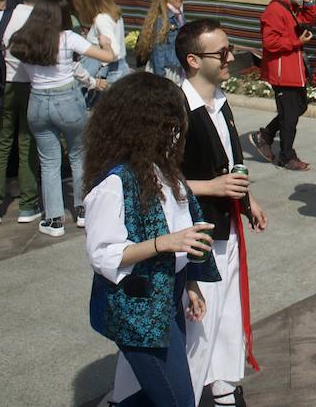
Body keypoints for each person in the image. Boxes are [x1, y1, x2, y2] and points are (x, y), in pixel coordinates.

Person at [82, 73, 219, 407]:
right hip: (138, 311)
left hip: (168, 299)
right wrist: (163, 243)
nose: (176, 133)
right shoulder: (115, 184)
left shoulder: (164, 171)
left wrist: (190, 285)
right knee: (178, 400)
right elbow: (103, 256)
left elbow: (186, 233)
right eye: (170, 124)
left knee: (168, 394)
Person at [177, 20, 269, 407]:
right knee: (203, 318)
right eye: (222, 52)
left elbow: (232, 163)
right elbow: (156, 180)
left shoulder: (220, 101)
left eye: (229, 49)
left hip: (225, 225)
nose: (231, 57)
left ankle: (224, 386)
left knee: (228, 311)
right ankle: (190, 392)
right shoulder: (178, 110)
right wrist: (211, 188)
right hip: (195, 233)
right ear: (194, 60)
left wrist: (248, 201)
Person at [11, 0, 118, 237]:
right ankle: (82, 211)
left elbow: (25, 75)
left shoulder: (23, 40)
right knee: (78, 155)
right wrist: (106, 42)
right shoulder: (68, 38)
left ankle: (54, 220)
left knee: (49, 163)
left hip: (37, 102)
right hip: (67, 99)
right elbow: (108, 56)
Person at [0, 0, 48, 227]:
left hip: (0, 86)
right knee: (28, 144)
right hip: (31, 86)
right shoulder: (43, 20)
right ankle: (28, 205)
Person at [249, 0, 316, 171]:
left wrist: (309, 2)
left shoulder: (291, 6)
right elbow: (270, 43)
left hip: (293, 68)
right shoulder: (275, 10)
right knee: (289, 116)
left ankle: (266, 135)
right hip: (282, 71)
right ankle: (287, 156)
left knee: (299, 107)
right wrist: (298, 42)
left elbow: (307, 20)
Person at [72, 0, 131, 105]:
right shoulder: (113, 14)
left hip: (108, 73)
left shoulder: (101, 19)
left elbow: (114, 51)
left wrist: (103, 46)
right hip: (119, 69)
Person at [137, 0, 187, 83]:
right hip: (164, 70)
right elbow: (158, 50)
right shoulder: (162, 19)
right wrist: (160, 78)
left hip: (176, 68)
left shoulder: (179, 15)